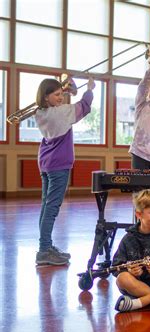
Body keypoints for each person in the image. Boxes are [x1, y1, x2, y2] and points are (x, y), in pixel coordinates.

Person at [35, 77, 95, 266]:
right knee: (52, 208)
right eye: (57, 95)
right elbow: (83, 107)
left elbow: (61, 107)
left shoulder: (40, 112)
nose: (61, 97)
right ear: (46, 98)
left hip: (45, 162)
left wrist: (66, 91)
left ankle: (46, 245)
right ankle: (44, 250)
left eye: (62, 94)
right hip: (59, 164)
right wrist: (90, 89)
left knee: (46, 206)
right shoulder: (61, 113)